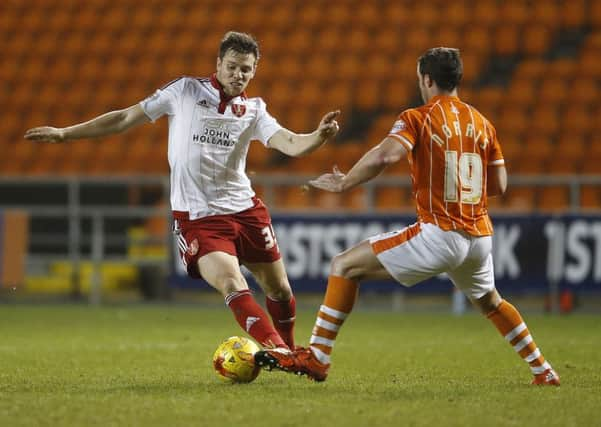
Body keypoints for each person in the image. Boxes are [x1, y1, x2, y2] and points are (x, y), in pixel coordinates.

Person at [255, 47, 560, 385]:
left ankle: (317, 357)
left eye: (420, 79)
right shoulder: (483, 124)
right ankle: (542, 369)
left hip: (440, 233)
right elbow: (500, 184)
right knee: (490, 301)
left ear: (427, 79)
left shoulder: (419, 117)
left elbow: (386, 156)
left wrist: (345, 183)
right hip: (479, 238)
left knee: (344, 265)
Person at [24, 31, 340, 350]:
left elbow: (289, 142)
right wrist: (66, 134)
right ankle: (280, 351)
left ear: (254, 71)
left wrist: (318, 136)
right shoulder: (185, 90)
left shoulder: (255, 110)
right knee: (232, 282)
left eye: (246, 69)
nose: (238, 74)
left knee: (281, 289)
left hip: (245, 210)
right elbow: (124, 118)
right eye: (232, 66)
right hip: (199, 217)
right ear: (218, 64)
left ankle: (290, 347)